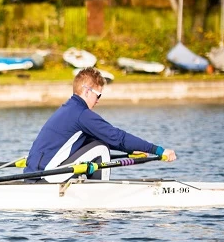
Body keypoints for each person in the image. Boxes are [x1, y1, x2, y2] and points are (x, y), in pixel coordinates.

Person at [24, 67, 176, 182]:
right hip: (47, 178)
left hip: (32, 175)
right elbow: (118, 137)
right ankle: (100, 198)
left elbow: (110, 138)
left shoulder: (67, 109)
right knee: (101, 148)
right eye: (98, 95)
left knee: (97, 142)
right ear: (87, 91)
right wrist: (157, 150)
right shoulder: (82, 115)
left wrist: (131, 148)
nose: (99, 100)